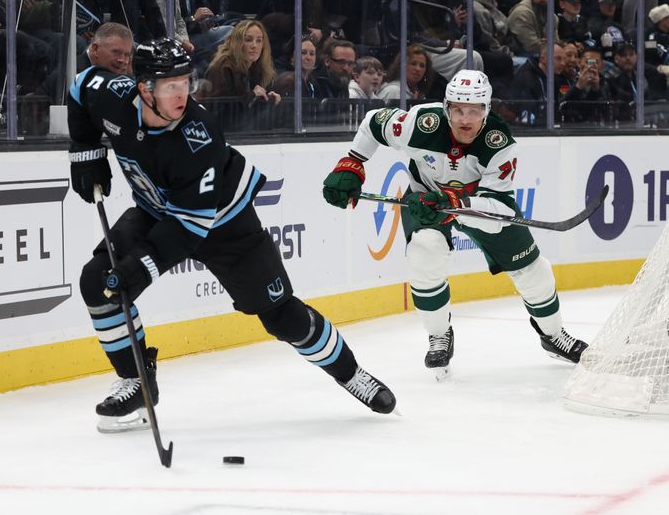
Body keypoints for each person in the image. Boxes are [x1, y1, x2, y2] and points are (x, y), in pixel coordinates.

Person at [67, 37, 397, 432]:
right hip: (156, 212)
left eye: (186, 81)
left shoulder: (198, 134)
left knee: (281, 316)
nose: (182, 94)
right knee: (97, 282)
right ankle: (137, 381)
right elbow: (79, 87)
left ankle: (350, 373)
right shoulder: (113, 96)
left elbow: (190, 226)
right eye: (171, 85)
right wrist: (85, 152)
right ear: (143, 88)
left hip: (225, 224)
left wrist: (142, 267)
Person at [321, 69, 589, 379]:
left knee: (534, 271)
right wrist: (353, 162)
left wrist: (455, 205)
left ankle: (553, 335)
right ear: (446, 108)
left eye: (474, 111)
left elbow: (497, 211)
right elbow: (373, 123)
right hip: (425, 200)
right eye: (458, 109)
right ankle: (439, 334)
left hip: (478, 206)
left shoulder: (498, 144)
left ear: (486, 111)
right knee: (425, 250)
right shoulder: (421, 123)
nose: (465, 119)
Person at [35, 22, 134, 100]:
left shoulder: (121, 78)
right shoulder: (72, 74)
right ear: (95, 49)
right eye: (116, 52)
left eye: (127, 55)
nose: (123, 60)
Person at [204, 19, 280, 104]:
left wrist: (268, 100)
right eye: (248, 40)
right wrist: (252, 95)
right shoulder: (223, 68)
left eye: (259, 41)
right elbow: (220, 110)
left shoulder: (257, 68)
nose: (254, 45)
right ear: (236, 43)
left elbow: (248, 112)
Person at [376, 45, 448, 103]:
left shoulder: (419, 94)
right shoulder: (392, 91)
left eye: (422, 66)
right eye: (413, 64)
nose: (418, 69)